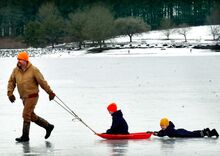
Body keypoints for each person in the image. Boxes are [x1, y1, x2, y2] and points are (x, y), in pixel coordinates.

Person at [7, 51, 56, 142]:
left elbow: (42, 82)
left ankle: (25, 136)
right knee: (31, 116)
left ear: (26, 60)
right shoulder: (15, 70)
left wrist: (50, 92)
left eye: (21, 60)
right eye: (18, 59)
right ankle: (48, 126)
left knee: (26, 114)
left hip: (32, 96)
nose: (19, 61)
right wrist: (10, 93)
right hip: (24, 97)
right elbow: (11, 82)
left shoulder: (34, 70)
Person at [151, 118, 219, 138]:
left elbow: (162, 134)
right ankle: (205, 131)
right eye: (161, 126)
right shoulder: (167, 128)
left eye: (163, 126)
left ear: (166, 125)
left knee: (193, 135)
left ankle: (211, 132)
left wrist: (156, 134)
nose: (162, 127)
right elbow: (162, 132)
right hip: (180, 131)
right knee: (192, 132)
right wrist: (153, 132)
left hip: (182, 134)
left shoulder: (169, 130)